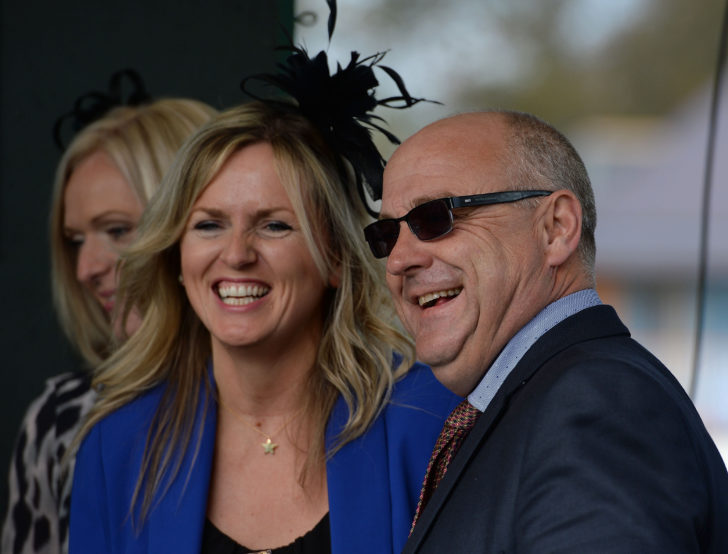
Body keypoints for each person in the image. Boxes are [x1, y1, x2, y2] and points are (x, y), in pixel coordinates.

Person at [68, 63, 459, 552]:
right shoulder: (115, 446)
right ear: (175, 256)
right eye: (209, 225)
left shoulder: (428, 420)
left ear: (335, 258)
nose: (236, 255)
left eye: (273, 225)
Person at [364, 110, 728, 553]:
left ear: (557, 228)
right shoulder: (548, 397)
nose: (398, 261)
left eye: (435, 217)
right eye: (386, 235)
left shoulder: (597, 403)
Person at [2, 90, 217, 554]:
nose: (85, 269)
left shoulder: (314, 406)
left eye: (117, 229)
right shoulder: (65, 419)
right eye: (75, 240)